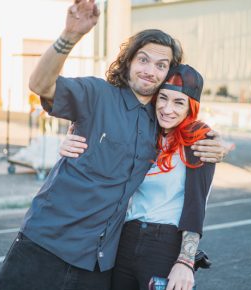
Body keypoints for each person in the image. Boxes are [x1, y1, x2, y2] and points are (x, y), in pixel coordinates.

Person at [0, 2, 227, 289]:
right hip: (47, 244)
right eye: (143, 59)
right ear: (128, 61)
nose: (150, 71)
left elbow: (190, 133)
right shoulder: (97, 94)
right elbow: (40, 85)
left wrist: (218, 143)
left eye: (161, 65)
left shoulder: (160, 121)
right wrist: (70, 35)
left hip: (99, 261)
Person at [61, 64, 215, 290]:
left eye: (178, 102)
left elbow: (196, 205)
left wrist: (185, 261)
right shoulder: (145, 133)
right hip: (124, 238)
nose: (167, 109)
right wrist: (69, 141)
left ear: (190, 108)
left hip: (164, 244)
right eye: (163, 98)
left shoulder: (199, 142)